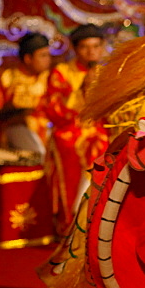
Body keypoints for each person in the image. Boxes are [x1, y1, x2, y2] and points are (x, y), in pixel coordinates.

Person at [44, 24, 111, 233]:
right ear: (75, 49)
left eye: (95, 47)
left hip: (101, 128)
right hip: (70, 129)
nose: (91, 52)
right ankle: (69, 223)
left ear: (102, 48)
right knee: (74, 147)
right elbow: (54, 110)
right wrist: (81, 91)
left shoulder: (108, 71)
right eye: (85, 47)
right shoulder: (61, 72)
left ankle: (100, 223)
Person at [0, 32, 52, 159]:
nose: (48, 60)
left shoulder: (50, 79)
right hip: (13, 132)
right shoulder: (6, 77)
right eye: (43, 56)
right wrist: (14, 114)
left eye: (48, 55)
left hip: (46, 132)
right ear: (28, 58)